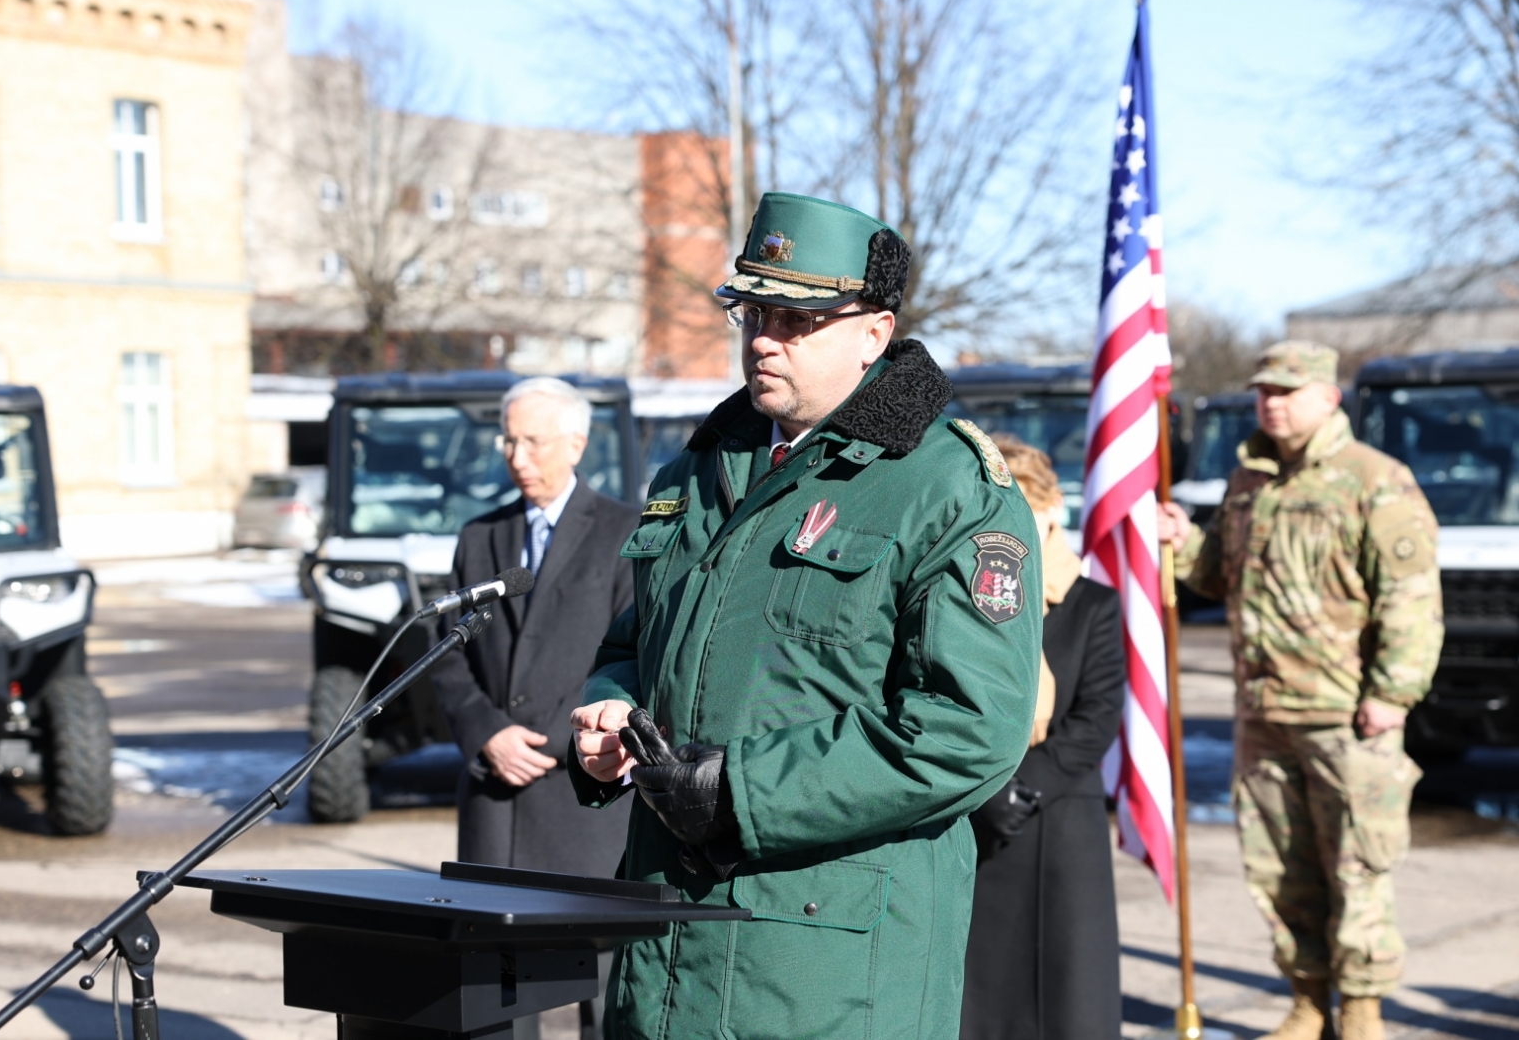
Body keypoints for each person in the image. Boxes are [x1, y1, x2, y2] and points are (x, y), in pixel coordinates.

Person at [567, 192, 1043, 1040]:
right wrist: (610, 704)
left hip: (826, 975)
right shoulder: (697, 469)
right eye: (753, 311)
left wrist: (741, 793)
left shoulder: (946, 487)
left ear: (874, 332)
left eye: (797, 319)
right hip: (665, 953)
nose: (762, 338)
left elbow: (968, 731)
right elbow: (635, 641)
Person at [1157, 341, 1443, 1040]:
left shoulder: (1376, 480)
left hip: (1348, 717)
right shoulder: (1248, 480)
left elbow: (1411, 599)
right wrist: (1183, 540)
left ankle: (1365, 1011)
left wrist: (1393, 692)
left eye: (1287, 390)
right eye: (1263, 390)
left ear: (1328, 397)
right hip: (1262, 712)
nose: (1271, 402)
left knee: (1359, 869)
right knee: (1281, 870)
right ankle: (1309, 1001)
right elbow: (1218, 575)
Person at [433, 376, 640, 1040]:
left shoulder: (624, 532)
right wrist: (488, 732)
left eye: (534, 440)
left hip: (584, 799)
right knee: (498, 1000)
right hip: (497, 803)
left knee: (602, 1004)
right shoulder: (479, 538)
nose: (517, 456)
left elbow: (630, 655)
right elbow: (446, 657)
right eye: (509, 440)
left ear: (576, 444)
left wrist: (552, 741)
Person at [959, 439, 1125, 1040]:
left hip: (1056, 817)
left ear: (1053, 509)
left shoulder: (1093, 605)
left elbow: (1097, 716)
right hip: (970, 810)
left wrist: (1022, 787)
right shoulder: (964, 599)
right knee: (977, 992)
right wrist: (983, 789)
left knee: (1066, 993)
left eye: (1026, 509)